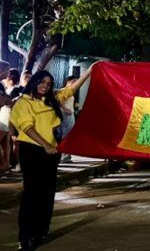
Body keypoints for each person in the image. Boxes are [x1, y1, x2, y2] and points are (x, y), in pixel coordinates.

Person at [10, 67, 92, 251]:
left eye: (48, 84)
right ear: (34, 81)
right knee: (31, 194)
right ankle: (25, 236)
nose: (45, 86)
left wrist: (90, 71)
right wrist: (45, 145)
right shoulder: (23, 103)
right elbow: (27, 127)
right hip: (32, 151)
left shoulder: (51, 100)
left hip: (51, 153)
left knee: (47, 193)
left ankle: (40, 232)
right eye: (42, 82)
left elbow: (70, 90)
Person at [58, 75, 79, 163]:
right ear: (68, 82)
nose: (75, 83)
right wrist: (66, 109)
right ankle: (63, 156)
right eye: (74, 81)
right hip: (66, 114)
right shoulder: (64, 90)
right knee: (66, 134)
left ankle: (67, 155)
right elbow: (59, 101)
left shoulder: (71, 91)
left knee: (69, 134)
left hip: (70, 114)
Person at [0, 61, 12, 172]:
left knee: (6, 141)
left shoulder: (1, 85)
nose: (8, 73)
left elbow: (7, 100)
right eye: (6, 70)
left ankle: (5, 164)